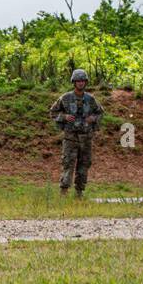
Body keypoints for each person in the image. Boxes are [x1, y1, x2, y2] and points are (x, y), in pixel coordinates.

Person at [48, 68, 103, 197]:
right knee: (68, 164)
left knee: (84, 164)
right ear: (74, 82)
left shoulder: (91, 99)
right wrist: (64, 117)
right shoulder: (65, 98)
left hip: (86, 138)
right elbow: (53, 112)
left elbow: (100, 113)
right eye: (78, 81)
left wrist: (93, 118)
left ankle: (79, 192)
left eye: (82, 80)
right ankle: (64, 192)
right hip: (70, 138)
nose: (80, 83)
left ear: (86, 82)